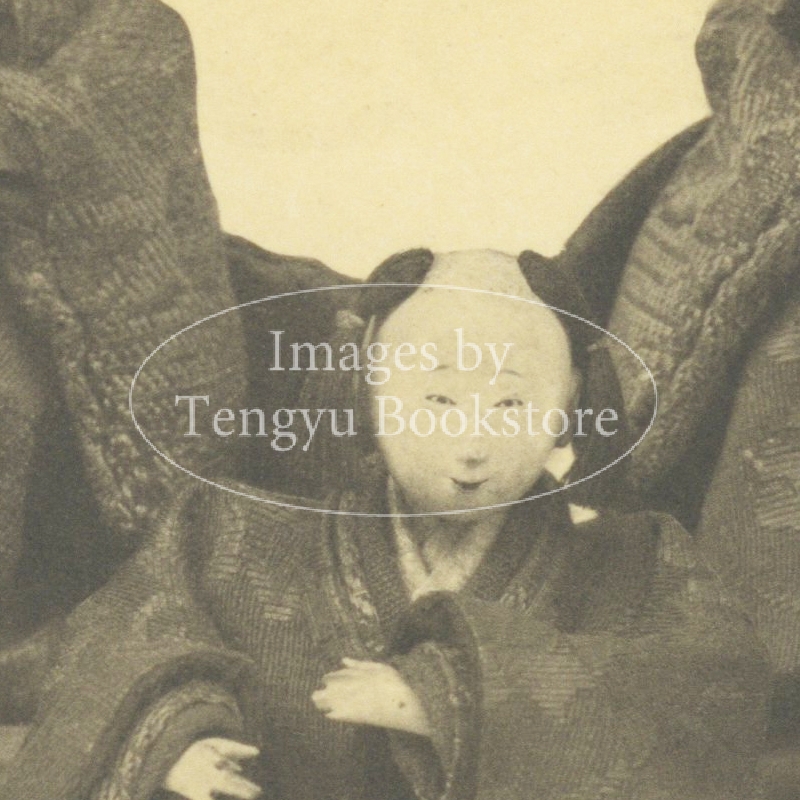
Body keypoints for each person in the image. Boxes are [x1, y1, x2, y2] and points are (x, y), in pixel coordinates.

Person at [3, 249, 769, 800]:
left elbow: (705, 700)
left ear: (570, 402)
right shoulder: (230, 532)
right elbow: (120, 642)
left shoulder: (634, 563)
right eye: (437, 401)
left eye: (510, 404)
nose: (472, 445)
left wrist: (442, 701)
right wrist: (175, 744)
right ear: (368, 388)